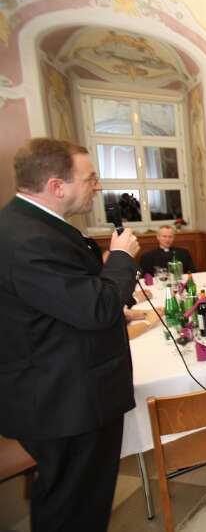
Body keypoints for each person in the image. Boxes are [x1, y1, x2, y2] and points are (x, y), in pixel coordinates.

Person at [0, 138, 141, 532]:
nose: (96, 187)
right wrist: (123, 259)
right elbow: (94, 307)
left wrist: (114, 312)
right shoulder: (29, 239)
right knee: (73, 504)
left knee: (79, 497)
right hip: (65, 400)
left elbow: (59, 304)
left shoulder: (33, 226)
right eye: (90, 179)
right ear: (56, 186)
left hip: (64, 384)